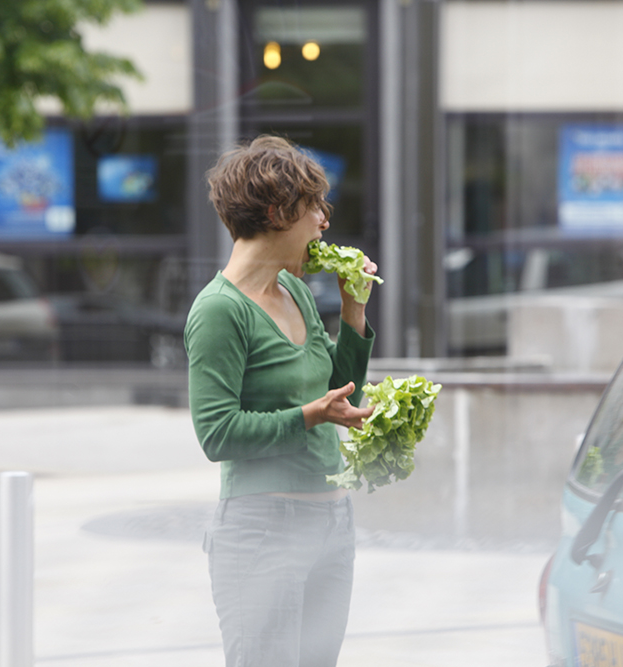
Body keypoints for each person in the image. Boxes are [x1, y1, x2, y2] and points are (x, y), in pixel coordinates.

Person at [183, 134, 378, 667]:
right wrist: (311, 415)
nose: (324, 221)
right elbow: (217, 434)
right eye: (314, 206)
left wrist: (353, 312)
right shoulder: (219, 310)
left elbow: (339, 391)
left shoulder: (295, 291)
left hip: (331, 524)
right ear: (275, 212)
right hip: (262, 530)